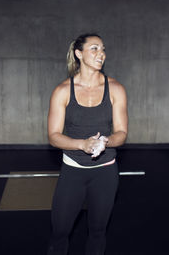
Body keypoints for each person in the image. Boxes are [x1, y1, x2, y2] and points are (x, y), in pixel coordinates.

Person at [47, 33, 128, 255]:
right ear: (79, 54)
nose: (100, 53)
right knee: (60, 232)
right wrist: (83, 144)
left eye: (103, 49)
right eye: (94, 48)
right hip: (73, 172)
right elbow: (54, 136)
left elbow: (121, 133)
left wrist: (106, 141)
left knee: (98, 232)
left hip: (105, 173)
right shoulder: (63, 91)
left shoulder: (116, 89)